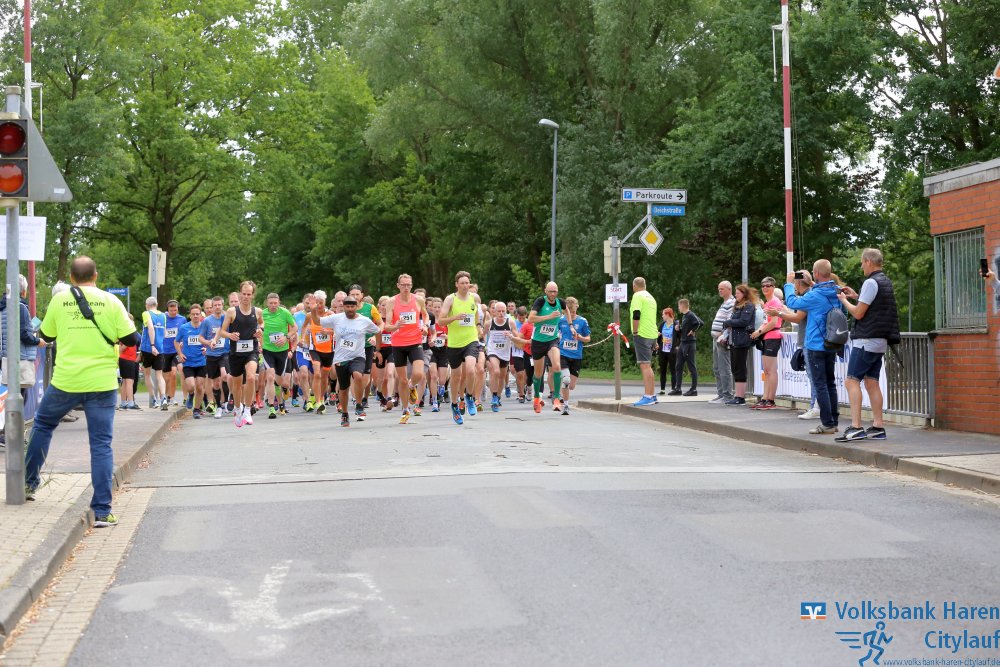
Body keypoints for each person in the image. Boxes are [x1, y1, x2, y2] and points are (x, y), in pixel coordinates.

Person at [25, 257, 139, 527]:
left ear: (72, 278)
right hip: (102, 383)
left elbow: (47, 335)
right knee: (101, 444)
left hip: (66, 381)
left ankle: (28, 484)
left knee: (43, 425)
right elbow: (132, 339)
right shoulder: (112, 301)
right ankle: (102, 511)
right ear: (95, 275)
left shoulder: (60, 300)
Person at [834, 248, 901, 442]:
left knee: (851, 381)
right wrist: (857, 296)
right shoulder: (885, 281)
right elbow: (874, 305)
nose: (861, 265)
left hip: (866, 340)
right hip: (879, 341)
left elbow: (858, 313)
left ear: (869, 261)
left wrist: (844, 301)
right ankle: (878, 426)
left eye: (863, 262)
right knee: (872, 382)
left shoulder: (871, 282)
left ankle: (856, 427)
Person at [784, 259, 842, 435]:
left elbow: (792, 303)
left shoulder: (815, 295)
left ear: (816, 273)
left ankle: (827, 424)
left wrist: (789, 284)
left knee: (820, 384)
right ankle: (833, 421)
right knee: (830, 383)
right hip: (831, 342)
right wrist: (811, 283)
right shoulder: (836, 291)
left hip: (816, 344)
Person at [310, 294, 381, 427]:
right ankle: (345, 413)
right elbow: (317, 321)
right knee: (343, 388)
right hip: (341, 358)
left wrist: (378, 350)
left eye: (352, 307)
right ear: (344, 307)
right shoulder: (337, 318)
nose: (350, 309)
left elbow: (377, 331)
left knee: (358, 376)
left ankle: (359, 404)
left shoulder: (364, 320)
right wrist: (313, 310)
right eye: (347, 306)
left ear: (356, 307)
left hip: (358, 356)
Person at [213, 281, 264, 427]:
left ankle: (247, 410)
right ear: (240, 294)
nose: (246, 297)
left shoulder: (257, 311)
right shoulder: (232, 312)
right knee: (237, 386)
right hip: (236, 353)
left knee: (251, 377)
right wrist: (230, 335)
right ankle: (237, 408)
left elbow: (262, 323)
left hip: (251, 350)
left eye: (249, 294)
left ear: (253, 295)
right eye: (244, 294)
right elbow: (222, 331)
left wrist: (260, 330)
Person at [384, 274, 430, 424]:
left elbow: (425, 315)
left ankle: (412, 386)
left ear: (411, 285)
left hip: (415, 341)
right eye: (403, 285)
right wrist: (395, 326)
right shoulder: (392, 302)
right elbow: (387, 326)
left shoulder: (418, 300)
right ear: (398, 285)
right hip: (398, 344)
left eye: (408, 285)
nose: (406, 288)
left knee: (418, 374)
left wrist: (425, 326)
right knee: (402, 380)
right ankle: (405, 410)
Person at [438, 271, 482, 425]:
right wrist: (454, 318)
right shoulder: (450, 299)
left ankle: (469, 397)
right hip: (454, 343)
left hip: (471, 340)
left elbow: (476, 315)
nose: (465, 285)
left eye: (467, 283)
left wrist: (478, 326)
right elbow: (440, 321)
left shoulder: (474, 298)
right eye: (462, 283)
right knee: (456, 377)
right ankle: (454, 405)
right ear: (456, 284)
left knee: (470, 369)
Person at [0, 274, 45, 400]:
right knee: (20, 396)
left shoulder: (3, 307)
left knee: (12, 395)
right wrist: (38, 341)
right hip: (21, 358)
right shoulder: (20, 307)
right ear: (23, 291)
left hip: (6, 357)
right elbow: (24, 335)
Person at [261, 292, 297, 419]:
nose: (273, 305)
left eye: (275, 303)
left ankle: (284, 390)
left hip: (282, 351)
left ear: (279, 302)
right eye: (271, 303)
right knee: (270, 377)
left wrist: (286, 337)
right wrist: (259, 338)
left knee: (281, 381)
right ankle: (272, 407)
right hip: (268, 350)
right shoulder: (262, 314)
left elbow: (295, 327)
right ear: (267, 303)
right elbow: (258, 328)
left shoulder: (285, 313)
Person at [749, 277, 783, 409]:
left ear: (773, 287)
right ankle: (764, 398)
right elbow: (765, 321)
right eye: (763, 286)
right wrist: (757, 331)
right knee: (767, 370)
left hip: (773, 336)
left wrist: (759, 332)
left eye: (768, 285)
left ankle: (771, 399)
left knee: (771, 370)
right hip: (767, 336)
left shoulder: (774, 301)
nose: (765, 288)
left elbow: (773, 322)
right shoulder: (768, 303)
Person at [721, 284, 757, 405]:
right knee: (735, 368)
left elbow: (743, 321)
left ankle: (740, 397)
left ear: (744, 294)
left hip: (742, 340)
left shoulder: (748, 306)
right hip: (734, 340)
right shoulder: (737, 306)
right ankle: (738, 395)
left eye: (738, 293)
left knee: (740, 368)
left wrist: (728, 322)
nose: (736, 295)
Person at [557, 297, 591, 415]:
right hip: (563, 354)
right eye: (569, 312)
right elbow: (554, 334)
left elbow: (588, 338)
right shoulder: (561, 320)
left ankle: (562, 390)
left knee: (571, 386)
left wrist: (580, 338)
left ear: (577, 307)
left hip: (576, 356)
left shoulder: (582, 321)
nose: (571, 314)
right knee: (566, 380)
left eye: (573, 311)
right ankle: (566, 406)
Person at [175, 304, 208, 418]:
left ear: (201, 315)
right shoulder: (184, 328)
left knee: (200, 387)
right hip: (188, 362)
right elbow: (176, 341)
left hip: (201, 361)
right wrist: (180, 353)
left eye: (197, 314)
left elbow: (211, 340)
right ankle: (191, 394)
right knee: (190, 386)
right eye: (193, 314)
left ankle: (196, 410)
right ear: (190, 315)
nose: (195, 316)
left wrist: (207, 349)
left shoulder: (205, 327)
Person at [710, 281, 736, 404]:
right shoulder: (724, 303)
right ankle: (721, 394)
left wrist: (721, 334)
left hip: (722, 339)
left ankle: (727, 395)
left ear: (729, 289)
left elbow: (729, 321)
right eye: (719, 288)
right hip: (716, 338)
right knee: (716, 367)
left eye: (722, 289)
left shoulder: (731, 303)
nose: (719, 291)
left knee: (724, 368)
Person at [139, 296, 167, 408]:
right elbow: (164, 333)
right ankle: (163, 398)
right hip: (160, 349)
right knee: (159, 375)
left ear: (147, 305)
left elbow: (150, 327)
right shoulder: (163, 316)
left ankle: (154, 399)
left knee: (147, 374)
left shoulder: (146, 313)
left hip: (147, 348)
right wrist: (158, 344)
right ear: (157, 304)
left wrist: (152, 345)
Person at [161, 300, 187, 409]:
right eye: (171, 310)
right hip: (165, 351)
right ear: (167, 310)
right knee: (166, 377)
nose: (173, 312)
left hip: (176, 351)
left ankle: (172, 397)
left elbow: (186, 332)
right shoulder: (163, 318)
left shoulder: (182, 319)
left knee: (174, 372)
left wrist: (183, 341)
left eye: (175, 310)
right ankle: (165, 397)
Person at [675, 299, 701, 394]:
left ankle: (693, 389)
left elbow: (699, 323)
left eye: (679, 306)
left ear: (682, 306)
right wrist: (679, 329)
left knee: (691, 366)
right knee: (678, 366)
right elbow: (685, 329)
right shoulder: (684, 316)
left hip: (689, 343)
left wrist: (693, 331)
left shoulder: (690, 314)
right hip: (683, 343)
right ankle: (678, 388)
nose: (678, 308)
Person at [656, 307, 678, 396]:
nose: (662, 316)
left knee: (673, 370)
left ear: (668, 315)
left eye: (663, 314)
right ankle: (662, 389)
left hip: (672, 351)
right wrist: (657, 335)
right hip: (663, 350)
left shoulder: (675, 325)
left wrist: (677, 346)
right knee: (663, 370)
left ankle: (673, 389)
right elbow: (658, 337)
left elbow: (679, 336)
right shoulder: (662, 325)